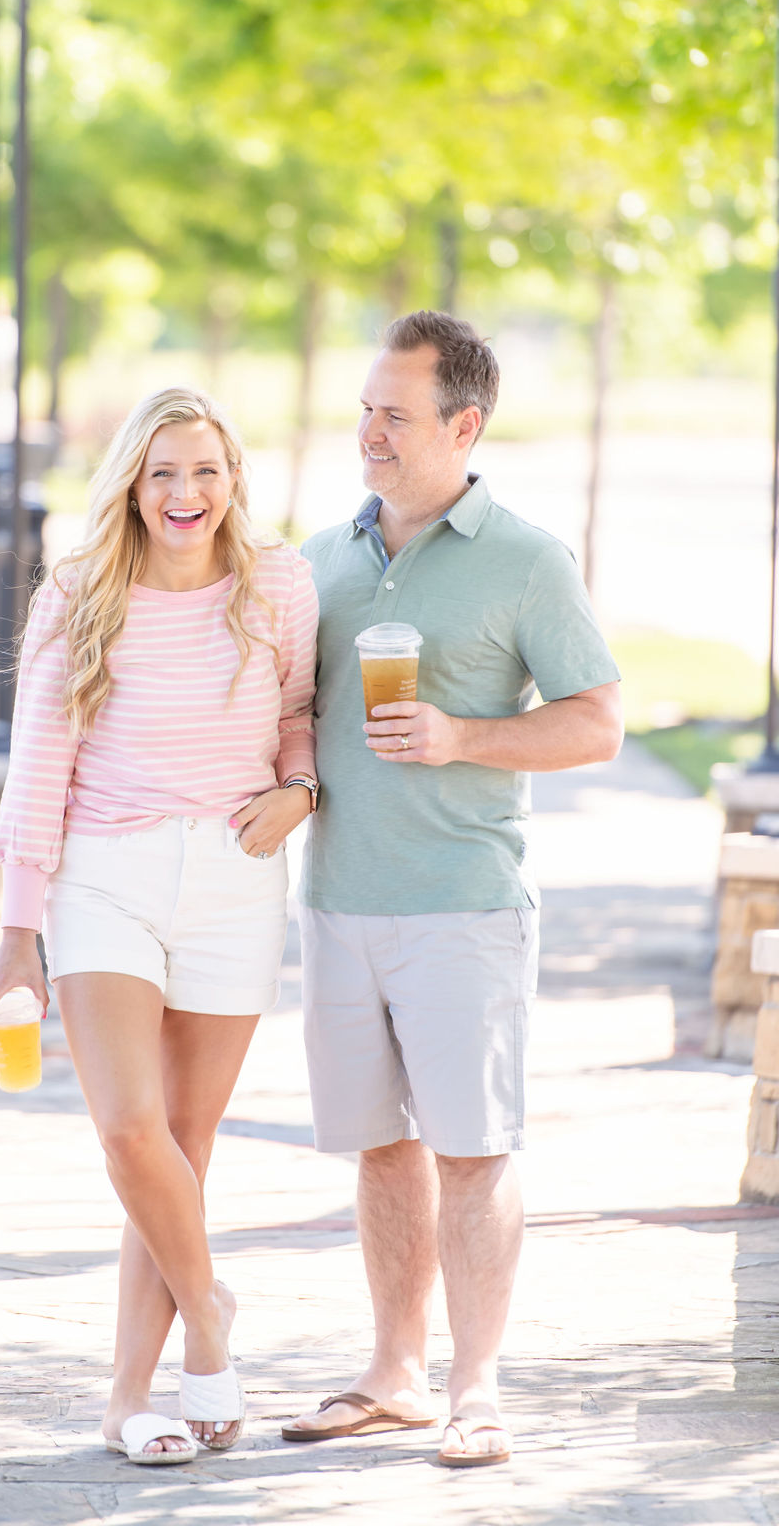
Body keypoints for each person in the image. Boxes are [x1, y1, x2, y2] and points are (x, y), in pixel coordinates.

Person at [280, 311, 623, 1467]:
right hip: (334, 901)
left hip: (462, 905)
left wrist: (462, 736)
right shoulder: (322, 556)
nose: (369, 432)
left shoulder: (526, 559)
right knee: (381, 1147)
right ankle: (394, 1374)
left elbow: (596, 724)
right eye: (365, 408)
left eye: (395, 414)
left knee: (472, 1149)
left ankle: (477, 1388)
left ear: (462, 424)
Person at [0, 387, 318, 1466]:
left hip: (235, 878)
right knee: (130, 1131)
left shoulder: (279, 585)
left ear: (232, 479)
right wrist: (17, 930)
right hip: (104, 878)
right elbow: (37, 766)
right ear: (130, 482)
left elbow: (299, 713)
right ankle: (209, 1316)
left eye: (204, 471)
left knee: (183, 1147)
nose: (185, 494)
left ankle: (128, 1399)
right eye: (162, 472)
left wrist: (300, 790)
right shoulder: (78, 592)